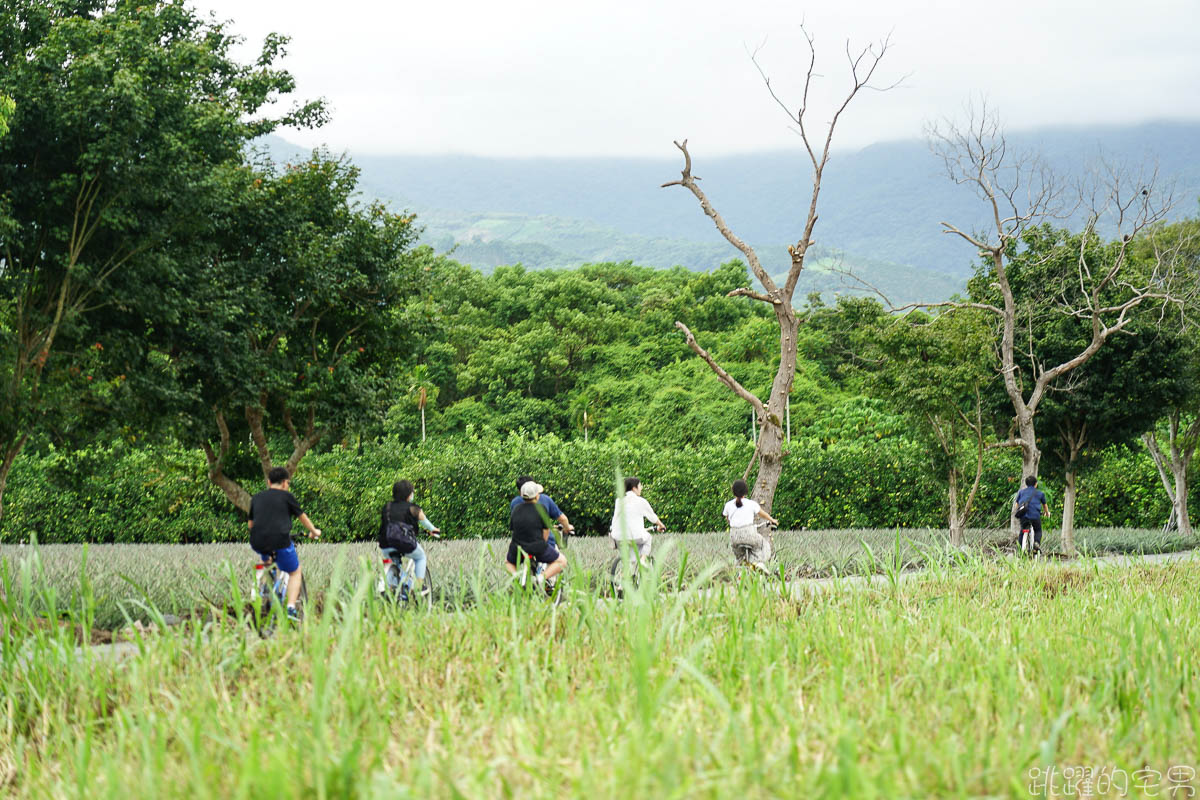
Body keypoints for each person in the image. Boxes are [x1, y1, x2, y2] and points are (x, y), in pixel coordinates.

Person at [248, 466, 321, 620]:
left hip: (257, 540)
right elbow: (302, 517)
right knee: (295, 572)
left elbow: (250, 525)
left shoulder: (256, 498)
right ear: (283, 483)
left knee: (265, 560)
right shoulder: (286, 496)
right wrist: (314, 532)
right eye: (288, 483)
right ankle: (290, 608)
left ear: (268, 482)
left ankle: (258, 590)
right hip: (280, 540)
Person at [379, 479, 439, 598]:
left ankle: (393, 587)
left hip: (385, 543)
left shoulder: (387, 507)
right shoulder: (413, 508)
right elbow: (425, 522)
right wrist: (434, 530)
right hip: (404, 541)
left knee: (394, 563)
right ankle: (418, 586)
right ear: (408, 494)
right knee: (421, 557)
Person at [506, 480, 566, 591]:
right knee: (562, 561)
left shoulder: (516, 509)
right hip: (537, 547)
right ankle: (541, 578)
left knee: (508, 563)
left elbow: (514, 529)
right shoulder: (541, 509)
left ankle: (517, 578)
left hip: (517, 547)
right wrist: (543, 544)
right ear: (537, 496)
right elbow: (546, 531)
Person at [724, 478, 779, 569]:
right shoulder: (751, 504)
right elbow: (763, 514)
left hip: (734, 537)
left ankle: (739, 568)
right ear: (745, 492)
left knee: (739, 556)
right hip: (749, 535)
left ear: (733, 492)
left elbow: (728, 519)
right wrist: (772, 520)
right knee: (762, 545)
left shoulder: (728, 505)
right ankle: (758, 564)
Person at [610, 477, 664, 564]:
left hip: (617, 536)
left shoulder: (618, 501)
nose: (641, 488)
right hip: (634, 536)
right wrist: (661, 525)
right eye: (640, 486)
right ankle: (642, 560)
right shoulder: (641, 501)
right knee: (648, 538)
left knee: (631, 560)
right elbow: (652, 517)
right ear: (634, 488)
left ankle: (627, 575)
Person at [509, 475, 574, 547]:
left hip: (521, 544)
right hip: (544, 544)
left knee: (509, 558)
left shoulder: (515, 503)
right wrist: (567, 528)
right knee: (562, 558)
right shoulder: (545, 500)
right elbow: (563, 519)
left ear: (519, 491)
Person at [1014, 476, 1050, 552]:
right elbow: (1045, 505)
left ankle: (1020, 550)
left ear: (1026, 484)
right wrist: (1047, 513)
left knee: (1022, 531)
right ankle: (1036, 543)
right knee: (1038, 530)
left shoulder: (1021, 492)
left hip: (1023, 516)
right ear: (1036, 484)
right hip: (1035, 516)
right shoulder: (1040, 493)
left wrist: (1017, 511)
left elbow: (1017, 504)